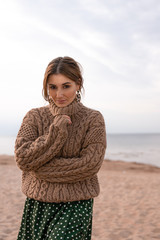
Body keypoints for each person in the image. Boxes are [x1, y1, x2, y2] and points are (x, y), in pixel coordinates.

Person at [14, 56, 107, 240]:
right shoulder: (33, 117)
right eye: (52, 87)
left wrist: (39, 170)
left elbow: (90, 165)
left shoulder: (93, 119)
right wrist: (54, 134)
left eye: (66, 86)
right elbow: (23, 158)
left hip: (76, 204)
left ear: (78, 84)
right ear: (46, 87)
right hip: (38, 203)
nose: (59, 94)